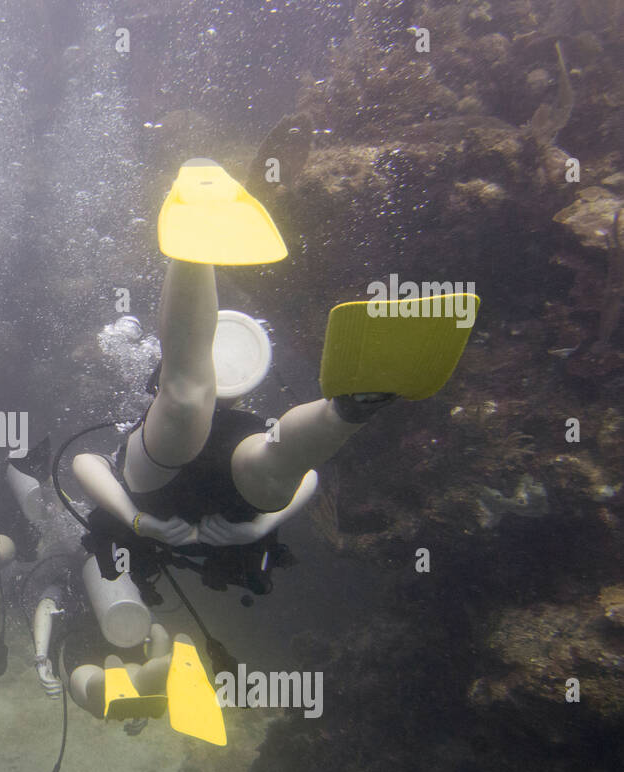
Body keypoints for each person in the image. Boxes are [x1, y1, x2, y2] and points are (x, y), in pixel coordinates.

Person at [63, 159, 477, 740]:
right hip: (197, 499)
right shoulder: (240, 424)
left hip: (156, 490)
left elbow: (83, 463)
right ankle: (349, 408)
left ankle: (200, 257)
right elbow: (305, 478)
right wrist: (253, 527)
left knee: (193, 408)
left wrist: (141, 520)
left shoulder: (187, 417)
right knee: (265, 454)